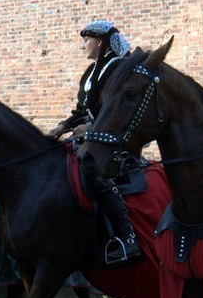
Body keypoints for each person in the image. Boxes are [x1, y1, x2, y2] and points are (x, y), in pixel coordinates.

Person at [48, 20, 141, 264]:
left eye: (86, 41)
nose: (83, 47)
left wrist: (91, 128)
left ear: (99, 42)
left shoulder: (119, 68)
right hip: (91, 137)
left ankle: (127, 237)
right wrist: (61, 128)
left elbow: (117, 111)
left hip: (113, 140)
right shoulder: (90, 73)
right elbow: (82, 110)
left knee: (93, 172)